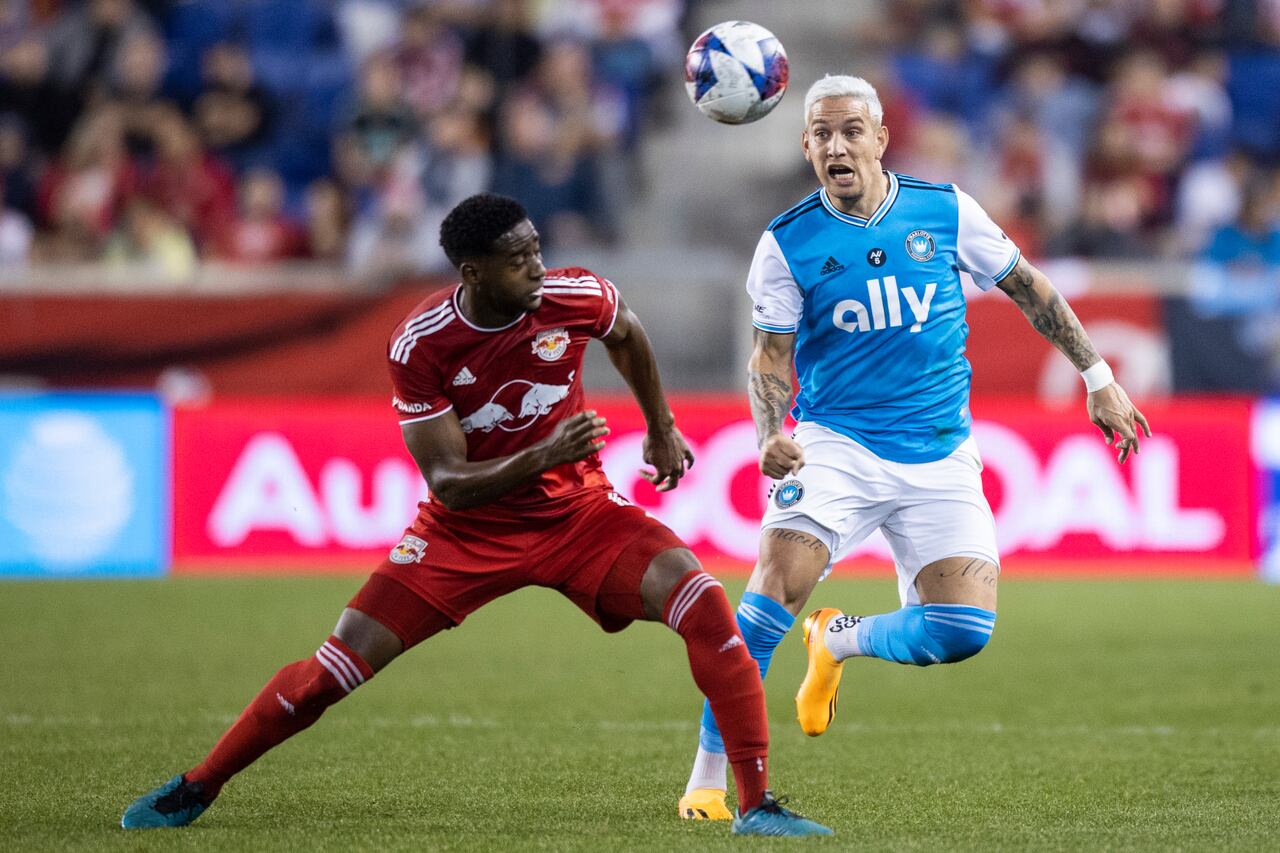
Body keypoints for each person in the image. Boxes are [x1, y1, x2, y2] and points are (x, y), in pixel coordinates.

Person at [120, 193, 832, 838]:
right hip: (464, 534)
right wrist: (544, 451)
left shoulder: (573, 295)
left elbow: (627, 332)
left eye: (537, 250)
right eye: (518, 259)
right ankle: (198, 783)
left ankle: (756, 806)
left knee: (704, 602)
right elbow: (450, 483)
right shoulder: (421, 343)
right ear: (473, 272)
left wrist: (661, 425)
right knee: (330, 673)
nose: (537, 268)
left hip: (579, 515)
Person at [677, 75, 1151, 821]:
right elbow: (769, 357)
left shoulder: (945, 211)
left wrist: (1099, 379)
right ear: (806, 146)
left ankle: (839, 640)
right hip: (836, 445)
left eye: (850, 131)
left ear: (880, 138)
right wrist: (770, 433)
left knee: (962, 631)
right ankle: (706, 782)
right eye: (822, 135)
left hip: (939, 451)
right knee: (770, 595)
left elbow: (1030, 288)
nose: (837, 146)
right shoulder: (786, 243)